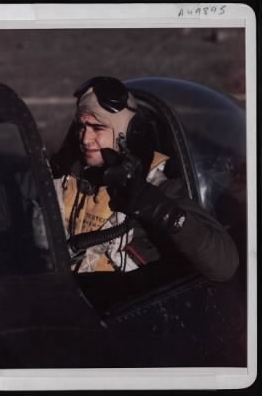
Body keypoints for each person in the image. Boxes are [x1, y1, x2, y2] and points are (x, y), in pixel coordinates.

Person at [33, 76, 239, 280]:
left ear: (128, 135)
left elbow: (224, 265)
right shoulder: (64, 175)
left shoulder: (157, 185)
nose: (85, 139)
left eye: (97, 128)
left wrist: (158, 209)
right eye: (81, 127)